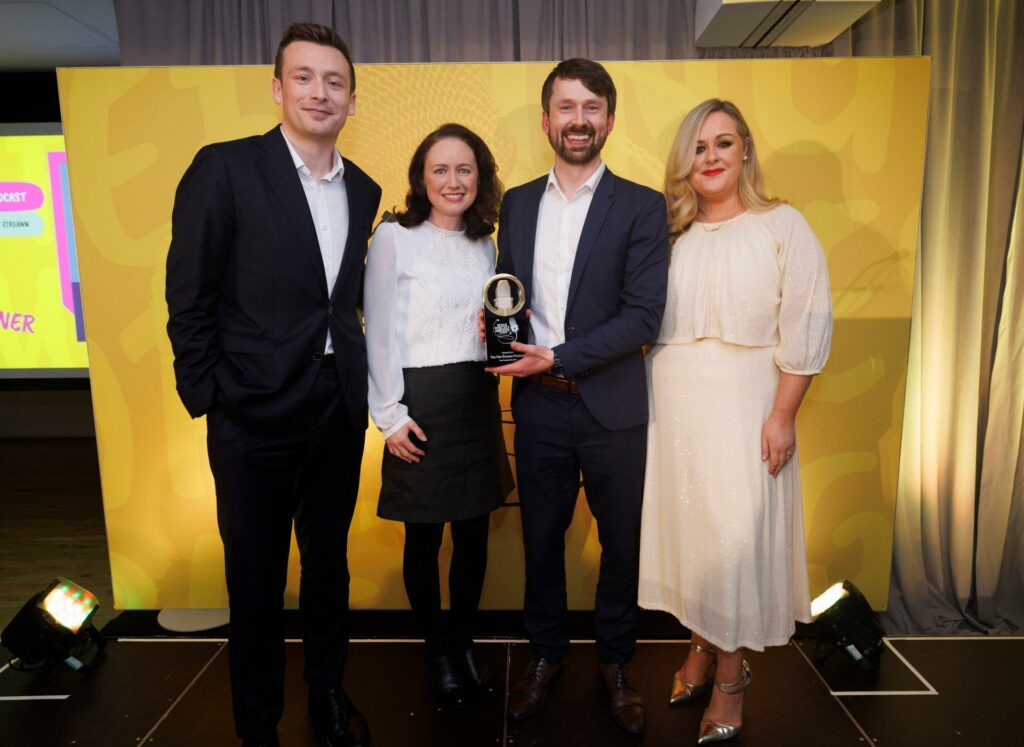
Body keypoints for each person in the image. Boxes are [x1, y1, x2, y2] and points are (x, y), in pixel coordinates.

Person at [165, 23, 381, 747]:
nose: (320, 92)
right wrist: (209, 394)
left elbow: (340, 301)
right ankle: (257, 726)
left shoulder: (366, 188)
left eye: (335, 82)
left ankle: (326, 697)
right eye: (305, 77)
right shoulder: (225, 169)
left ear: (353, 100)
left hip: (335, 404)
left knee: (328, 569)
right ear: (277, 88)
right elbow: (189, 293)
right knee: (254, 580)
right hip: (250, 411)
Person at [638, 98, 833, 744]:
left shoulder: (783, 225)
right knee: (697, 541)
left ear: (745, 148)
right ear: (684, 160)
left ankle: (729, 677)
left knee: (730, 545)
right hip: (674, 410)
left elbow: (805, 324)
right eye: (698, 146)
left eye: (723, 143)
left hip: (747, 407)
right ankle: (700, 647)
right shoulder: (669, 232)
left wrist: (783, 414)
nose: (712, 157)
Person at [486, 58, 668, 735]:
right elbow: (509, 293)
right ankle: (545, 655)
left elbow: (642, 317)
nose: (579, 120)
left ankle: (618, 663)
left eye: (592, 107)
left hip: (614, 406)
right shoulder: (518, 203)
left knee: (621, 544)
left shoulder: (643, 206)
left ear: (610, 120)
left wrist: (557, 355)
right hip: (538, 407)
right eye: (567, 107)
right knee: (540, 542)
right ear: (546, 120)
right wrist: (497, 332)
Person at [363, 123, 512, 709]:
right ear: (422, 179)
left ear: (481, 177)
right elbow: (374, 329)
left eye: (465, 169)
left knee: (473, 535)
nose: (454, 181)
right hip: (417, 403)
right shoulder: (395, 238)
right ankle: (435, 651)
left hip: (474, 398)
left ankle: (465, 644)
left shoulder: (487, 244)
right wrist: (389, 415)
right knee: (424, 540)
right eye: (441, 170)